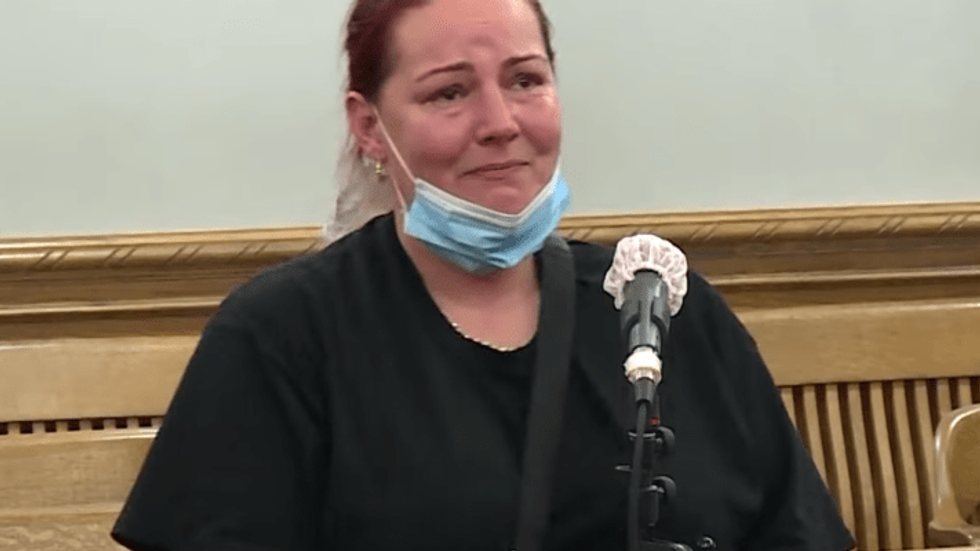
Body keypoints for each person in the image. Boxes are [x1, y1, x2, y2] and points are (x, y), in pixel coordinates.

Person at [111, 1, 855, 550]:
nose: (500, 121)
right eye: (449, 92)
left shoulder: (661, 304)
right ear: (369, 125)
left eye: (526, 80)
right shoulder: (282, 338)